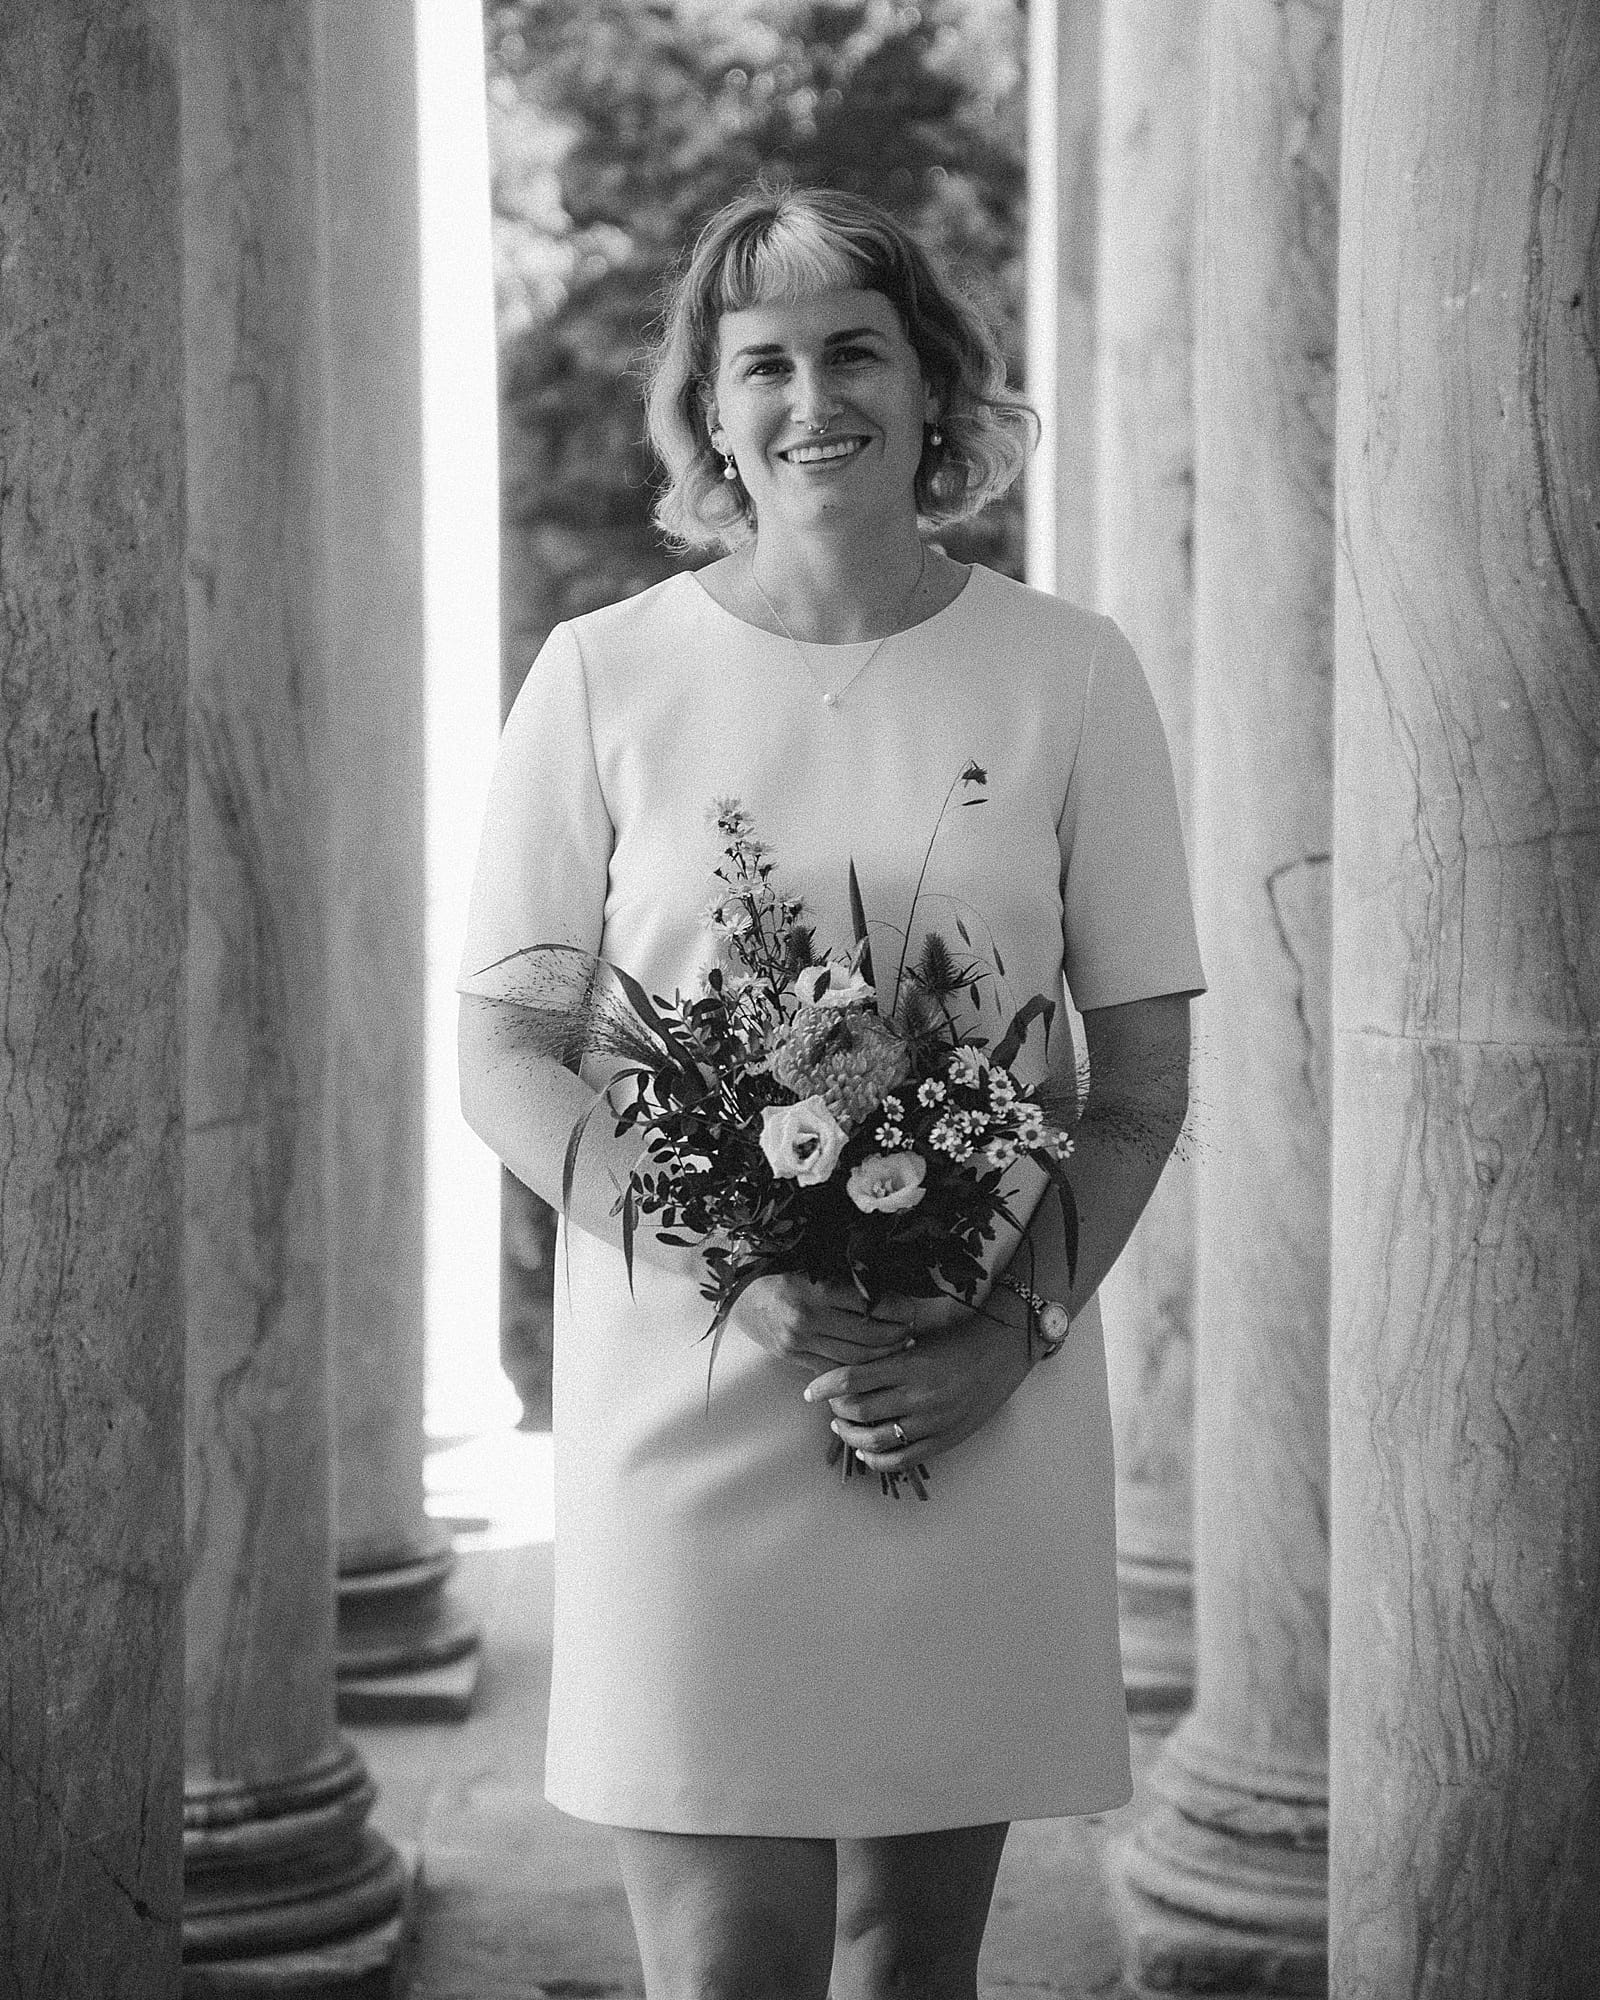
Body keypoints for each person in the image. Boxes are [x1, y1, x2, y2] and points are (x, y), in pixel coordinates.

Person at [457, 184, 1204, 2000]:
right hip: (691, 1390)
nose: (812, 399)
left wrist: (999, 1337)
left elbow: (1140, 1084)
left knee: (909, 1966)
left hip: (972, 1399)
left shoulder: (1067, 673)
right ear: (709, 412)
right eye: (764, 363)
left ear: (934, 383)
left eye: (853, 350)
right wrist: (722, 1254)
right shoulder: (603, 677)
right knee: (726, 1966)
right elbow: (502, 1053)